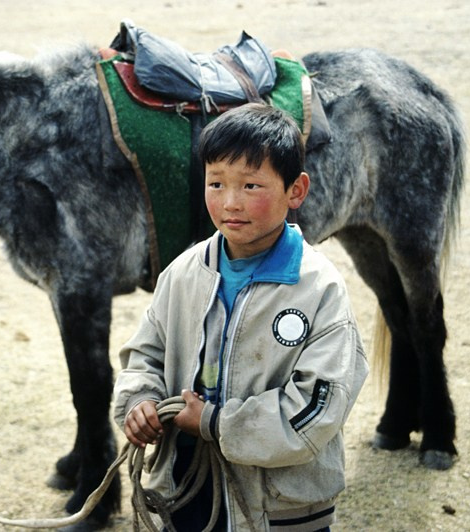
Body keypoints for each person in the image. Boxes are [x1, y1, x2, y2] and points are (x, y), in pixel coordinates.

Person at [113, 103, 369, 531]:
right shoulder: (183, 273)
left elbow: (316, 409)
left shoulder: (318, 289)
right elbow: (145, 356)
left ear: (296, 190)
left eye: (251, 185)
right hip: (186, 490)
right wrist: (139, 402)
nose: (230, 203)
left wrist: (215, 422)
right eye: (216, 183)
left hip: (280, 508)